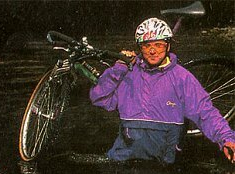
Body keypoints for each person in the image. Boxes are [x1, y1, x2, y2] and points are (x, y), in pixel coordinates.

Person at [90, 18, 235, 164]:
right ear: (140, 48)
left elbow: (205, 112)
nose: (152, 51)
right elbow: (100, 98)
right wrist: (118, 69)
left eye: (158, 45)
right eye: (147, 46)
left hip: (162, 165)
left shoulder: (181, 77)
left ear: (168, 46)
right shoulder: (127, 74)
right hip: (123, 160)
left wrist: (227, 139)